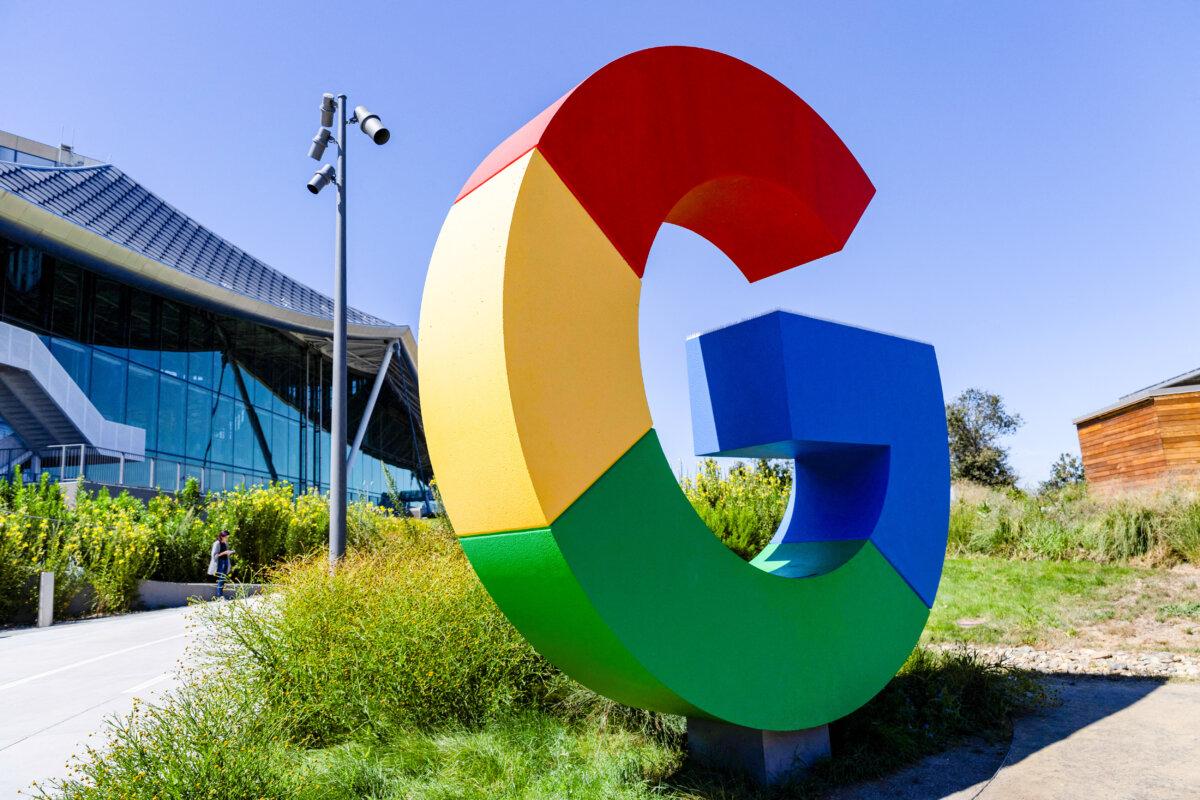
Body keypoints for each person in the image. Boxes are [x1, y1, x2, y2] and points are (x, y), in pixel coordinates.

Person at [207, 530, 234, 599]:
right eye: (226, 537)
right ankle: (219, 596)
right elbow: (214, 556)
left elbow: (226, 553)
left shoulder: (225, 543)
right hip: (219, 563)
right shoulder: (216, 543)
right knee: (221, 579)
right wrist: (224, 553)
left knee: (223, 579)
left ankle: (220, 595)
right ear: (222, 536)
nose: (227, 538)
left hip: (225, 562)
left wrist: (229, 552)